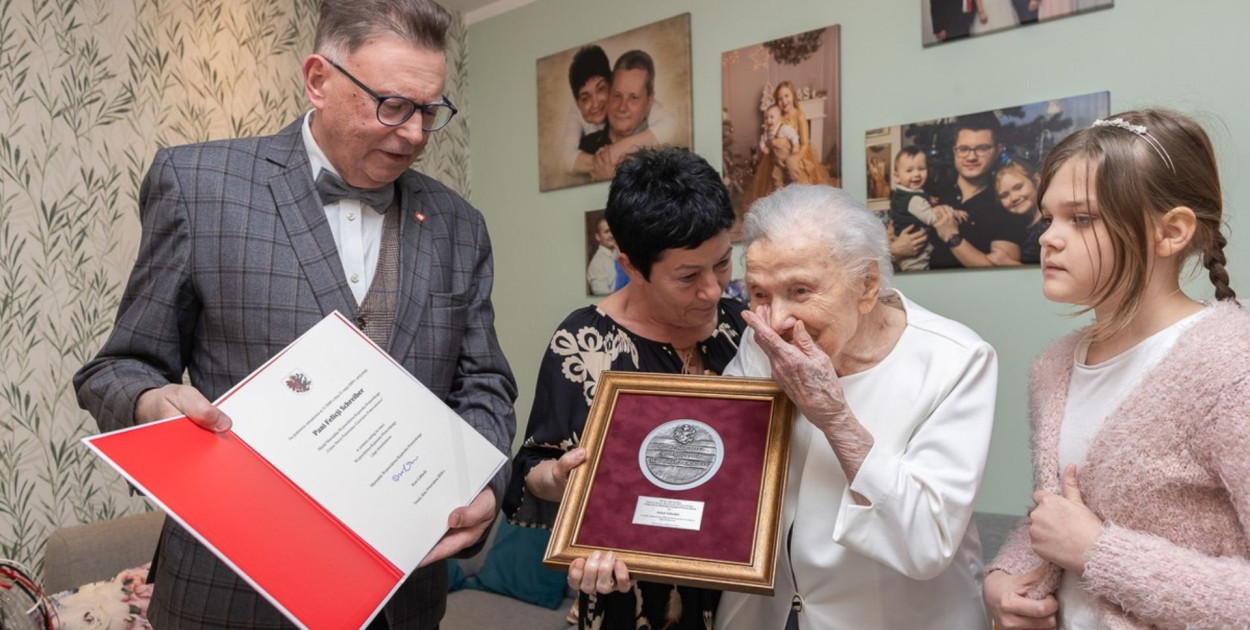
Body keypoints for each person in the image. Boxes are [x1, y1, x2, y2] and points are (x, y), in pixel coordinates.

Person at [72, 1, 518, 628]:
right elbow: (118, 367)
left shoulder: (459, 225)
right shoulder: (199, 185)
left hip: (405, 597)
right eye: (392, 105)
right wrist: (152, 405)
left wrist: (486, 487)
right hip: (230, 592)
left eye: (429, 110)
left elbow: (485, 384)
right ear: (318, 80)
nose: (415, 134)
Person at [984, 110, 1250, 629]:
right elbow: (1059, 515)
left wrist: (1101, 553)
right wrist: (1002, 578)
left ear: (1170, 232)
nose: (1048, 238)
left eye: (1081, 219)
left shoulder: (1231, 368)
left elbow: (1085, 538)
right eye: (1048, 218)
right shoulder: (1053, 366)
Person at [717, 185, 998, 629]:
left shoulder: (956, 359)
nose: (776, 321)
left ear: (866, 285)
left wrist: (835, 419)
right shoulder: (761, 340)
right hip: (767, 612)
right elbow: (723, 467)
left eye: (801, 289)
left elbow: (928, 542)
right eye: (759, 293)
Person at [504, 147, 746, 629]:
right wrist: (561, 480)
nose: (714, 291)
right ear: (631, 266)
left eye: (722, 263)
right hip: (623, 594)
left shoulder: (743, 329)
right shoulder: (583, 343)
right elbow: (532, 466)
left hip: (741, 591)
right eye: (688, 276)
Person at [929, 113, 1031, 268]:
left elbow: (1004, 273)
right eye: (963, 149)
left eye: (982, 148)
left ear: (998, 150)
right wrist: (896, 250)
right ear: (954, 151)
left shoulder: (1006, 202)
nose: (971, 157)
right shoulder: (934, 192)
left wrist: (952, 237)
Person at [580, 50, 678, 182]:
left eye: (633, 98)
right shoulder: (585, 146)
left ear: (649, 101)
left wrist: (611, 180)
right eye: (617, 95)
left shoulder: (660, 158)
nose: (622, 107)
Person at [888, 146, 963, 271]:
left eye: (921, 169)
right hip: (915, 250)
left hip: (899, 236)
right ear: (896, 176)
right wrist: (951, 213)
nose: (916, 174)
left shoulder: (902, 193)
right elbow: (932, 219)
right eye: (909, 170)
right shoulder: (915, 200)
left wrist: (929, 199)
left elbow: (919, 198)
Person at [560, 45, 611, 176]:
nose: (595, 103)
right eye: (585, 97)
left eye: (600, 89)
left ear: (612, 83)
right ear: (577, 103)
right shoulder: (575, 112)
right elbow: (567, 158)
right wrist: (601, 164)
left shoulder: (623, 91)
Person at [991, 160, 1045, 264]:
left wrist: (1007, 262)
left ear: (1036, 180)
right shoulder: (1024, 226)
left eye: (1018, 187)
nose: (1014, 198)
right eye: (1004, 195)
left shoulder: (1049, 224)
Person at [758, 104, 800, 190]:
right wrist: (763, 148)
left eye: (772, 117)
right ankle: (779, 192)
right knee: (775, 176)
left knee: (792, 170)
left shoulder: (784, 128)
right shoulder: (766, 133)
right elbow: (762, 141)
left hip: (788, 156)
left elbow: (793, 135)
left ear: (780, 118)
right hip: (776, 160)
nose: (768, 120)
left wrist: (796, 145)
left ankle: (796, 186)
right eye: (766, 118)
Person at [587, 216, 618, 295]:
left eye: (613, 231)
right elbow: (604, 298)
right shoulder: (596, 265)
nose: (611, 235)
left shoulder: (622, 254)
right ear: (598, 237)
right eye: (607, 232)